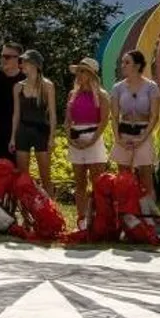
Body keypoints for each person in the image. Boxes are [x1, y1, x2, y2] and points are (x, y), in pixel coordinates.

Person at [110, 50, 160, 201]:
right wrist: (117, 138)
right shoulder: (117, 88)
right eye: (122, 62)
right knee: (124, 178)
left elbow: (155, 116)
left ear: (137, 66)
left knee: (146, 176)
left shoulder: (151, 87)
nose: (123, 65)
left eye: (127, 62)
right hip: (124, 134)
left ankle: (150, 216)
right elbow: (114, 116)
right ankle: (127, 215)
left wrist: (143, 138)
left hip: (143, 134)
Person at [65, 57, 110, 227]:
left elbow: (104, 121)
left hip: (94, 139)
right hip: (76, 140)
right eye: (78, 71)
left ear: (91, 74)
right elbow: (67, 121)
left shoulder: (102, 95)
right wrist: (71, 139)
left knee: (98, 182)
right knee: (80, 182)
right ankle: (82, 218)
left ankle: (100, 216)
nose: (79, 74)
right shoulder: (72, 94)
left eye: (83, 71)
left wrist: (91, 141)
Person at [10, 49, 57, 193]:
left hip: (41, 131)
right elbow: (16, 114)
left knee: (45, 177)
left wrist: (51, 138)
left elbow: (53, 115)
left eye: (24, 61)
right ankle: (26, 212)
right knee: (23, 177)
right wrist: (12, 138)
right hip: (23, 131)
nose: (21, 64)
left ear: (34, 65)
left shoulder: (48, 85)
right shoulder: (18, 87)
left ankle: (51, 211)